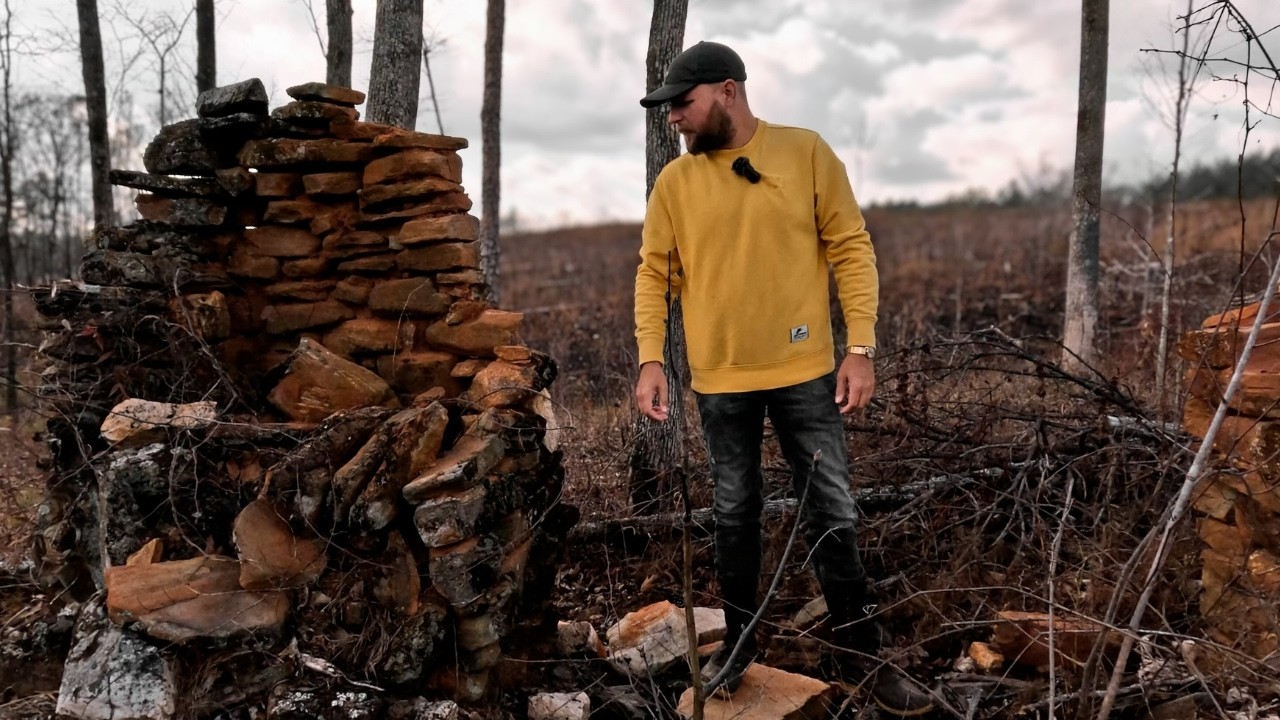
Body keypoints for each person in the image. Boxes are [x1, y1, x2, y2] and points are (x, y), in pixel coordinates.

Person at [633, 41, 934, 717]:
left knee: (831, 506)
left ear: (729, 92)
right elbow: (657, 274)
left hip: (806, 373)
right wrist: (652, 358)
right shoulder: (675, 185)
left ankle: (860, 651)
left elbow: (850, 247)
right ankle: (740, 643)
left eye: (683, 103)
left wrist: (861, 346)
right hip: (720, 381)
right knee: (734, 510)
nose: (673, 118)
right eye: (668, 108)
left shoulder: (805, 153)